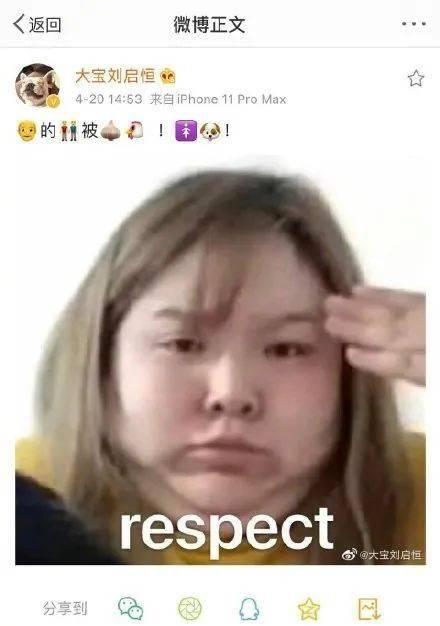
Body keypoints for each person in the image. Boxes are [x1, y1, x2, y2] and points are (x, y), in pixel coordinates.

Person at [15, 170, 425, 564]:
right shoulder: (25, 500)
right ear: (101, 358)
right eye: (182, 344)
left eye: (286, 349)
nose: (231, 394)